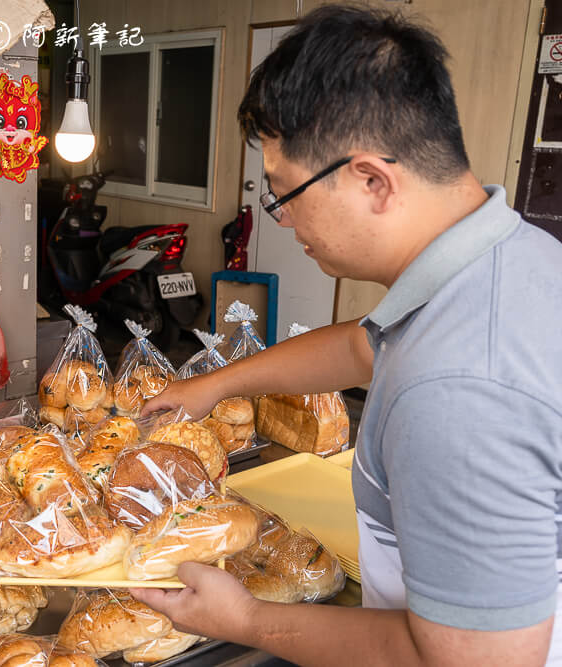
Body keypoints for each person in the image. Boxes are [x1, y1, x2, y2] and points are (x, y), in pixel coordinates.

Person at [134, 5, 562, 666]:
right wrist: (213, 384)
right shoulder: (508, 260)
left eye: (284, 192)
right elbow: (359, 348)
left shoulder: (459, 387)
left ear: (372, 180)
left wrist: (247, 617)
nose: (282, 217)